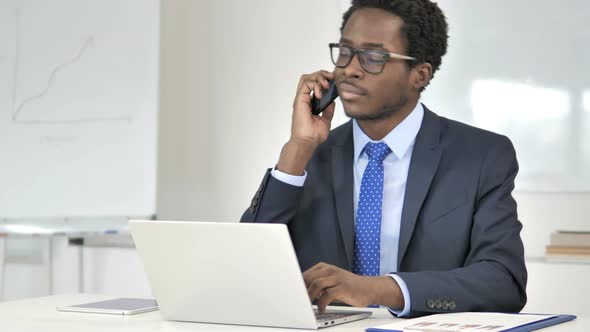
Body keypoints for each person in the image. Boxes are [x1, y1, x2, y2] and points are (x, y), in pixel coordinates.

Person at [241, 0, 527, 318]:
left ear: (419, 75)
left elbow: (503, 282)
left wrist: (376, 289)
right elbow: (245, 266)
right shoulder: (310, 156)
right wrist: (297, 150)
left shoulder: (480, 156)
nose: (349, 69)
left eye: (374, 57)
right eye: (345, 52)